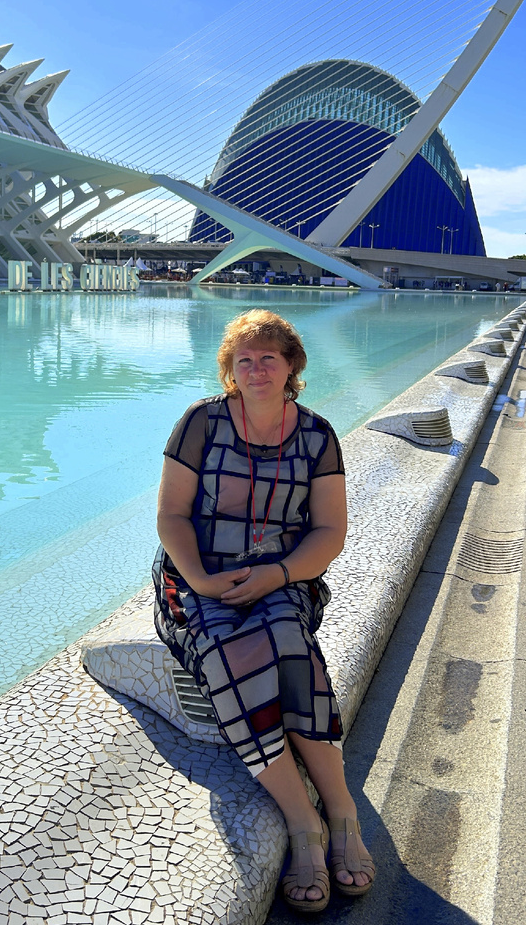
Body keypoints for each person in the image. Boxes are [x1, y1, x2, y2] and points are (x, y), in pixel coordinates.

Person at [153, 310, 374, 912]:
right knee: (231, 657)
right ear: (229, 369)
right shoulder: (201, 423)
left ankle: (344, 812)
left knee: (290, 646)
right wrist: (200, 579)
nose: (255, 369)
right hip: (201, 575)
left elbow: (328, 532)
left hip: (281, 575)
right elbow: (172, 516)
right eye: (243, 360)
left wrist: (277, 574)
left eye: (268, 358)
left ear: (291, 366)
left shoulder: (317, 435)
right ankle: (305, 824)